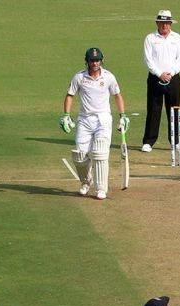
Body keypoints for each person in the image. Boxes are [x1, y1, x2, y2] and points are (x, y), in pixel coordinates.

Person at [60, 47, 129, 200]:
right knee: (80, 155)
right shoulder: (79, 77)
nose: (95, 63)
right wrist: (66, 115)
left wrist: (123, 115)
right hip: (84, 120)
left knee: (100, 153)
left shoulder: (109, 77)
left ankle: (101, 188)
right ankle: (86, 181)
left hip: (103, 119)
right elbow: (70, 95)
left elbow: (117, 95)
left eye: (97, 60)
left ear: (101, 61)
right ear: (87, 61)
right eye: (92, 60)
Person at [141, 9, 180, 153]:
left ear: (170, 23)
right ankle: (148, 141)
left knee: (174, 110)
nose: (164, 25)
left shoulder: (177, 38)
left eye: (167, 22)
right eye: (162, 22)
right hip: (155, 78)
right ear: (157, 23)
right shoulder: (150, 38)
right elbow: (148, 60)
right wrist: (160, 74)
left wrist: (170, 73)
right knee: (154, 109)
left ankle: (176, 141)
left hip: (173, 78)